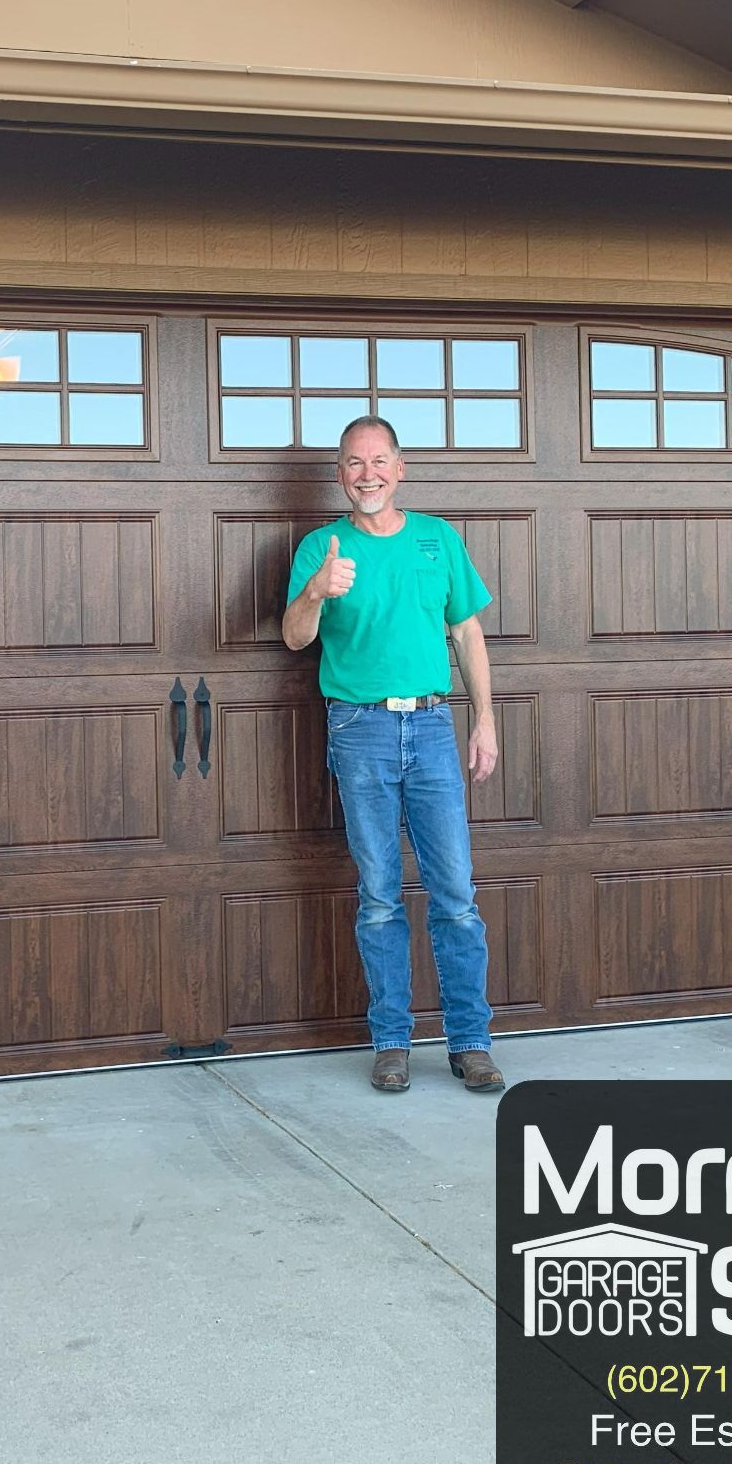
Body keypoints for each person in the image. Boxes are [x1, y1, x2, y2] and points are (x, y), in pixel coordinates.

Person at [281, 414, 505, 1095]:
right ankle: (391, 1043)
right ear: (340, 474)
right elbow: (295, 637)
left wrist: (485, 719)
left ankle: (471, 1042)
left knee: (456, 895)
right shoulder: (321, 548)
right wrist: (316, 591)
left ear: (400, 469)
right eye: (354, 462)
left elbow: (467, 633)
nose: (367, 473)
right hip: (360, 729)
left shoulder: (438, 539)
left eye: (379, 461)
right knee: (379, 895)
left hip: (432, 725)